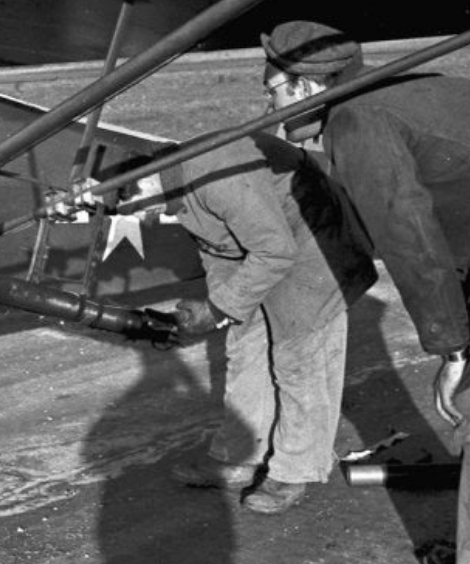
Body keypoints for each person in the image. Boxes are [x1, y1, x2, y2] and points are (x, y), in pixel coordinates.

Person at [259, 20, 470, 562]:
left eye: (273, 92)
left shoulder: (355, 119)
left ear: (304, 86)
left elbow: (409, 238)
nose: (274, 118)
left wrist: (454, 349)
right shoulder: (397, 90)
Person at [119, 130, 376, 514]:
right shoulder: (176, 188)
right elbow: (219, 250)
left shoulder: (215, 175)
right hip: (267, 243)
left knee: (300, 356)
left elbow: (275, 251)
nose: (140, 217)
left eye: (134, 204)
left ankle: (294, 469)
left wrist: (218, 308)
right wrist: (218, 308)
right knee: (245, 344)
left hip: (314, 238)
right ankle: (239, 455)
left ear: (148, 181)